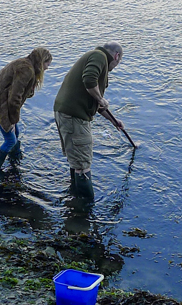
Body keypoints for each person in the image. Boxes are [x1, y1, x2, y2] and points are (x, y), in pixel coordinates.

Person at [53, 42, 125, 199]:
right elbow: (89, 81)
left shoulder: (96, 58)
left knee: (76, 161)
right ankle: (86, 211)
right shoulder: (99, 57)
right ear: (116, 56)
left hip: (66, 113)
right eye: (118, 62)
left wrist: (114, 121)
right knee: (83, 164)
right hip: (74, 117)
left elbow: (96, 103)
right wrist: (100, 97)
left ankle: (75, 201)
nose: (116, 66)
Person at [0, 47, 53, 181]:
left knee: (15, 134)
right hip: (1, 105)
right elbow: (15, 98)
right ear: (41, 61)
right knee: (10, 139)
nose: (47, 68)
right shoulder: (27, 70)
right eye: (47, 64)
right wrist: (12, 120)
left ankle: (14, 160)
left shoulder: (26, 64)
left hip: (3, 102)